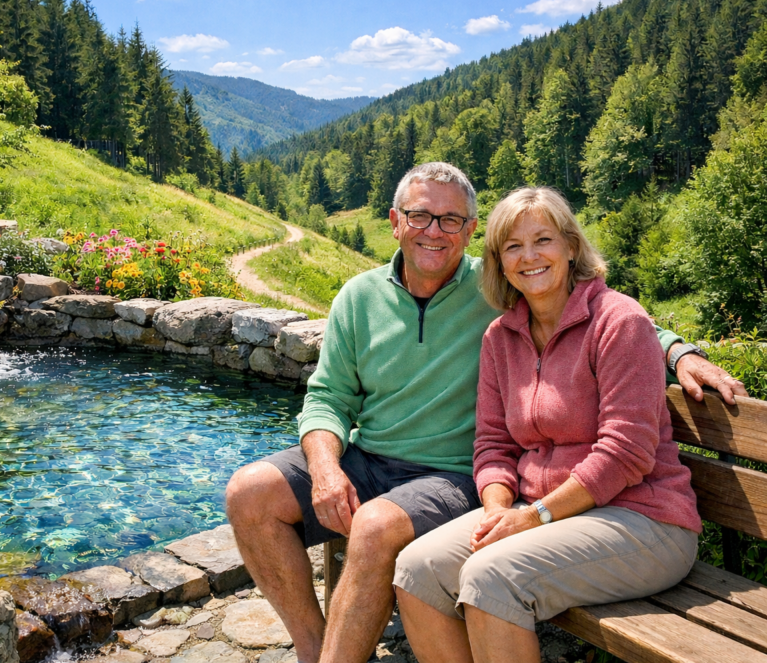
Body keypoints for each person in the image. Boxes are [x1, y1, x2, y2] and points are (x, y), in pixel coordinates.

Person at [225, 164, 743, 663]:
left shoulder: (498, 291)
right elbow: (329, 398)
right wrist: (324, 469)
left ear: (471, 231)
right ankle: (316, 649)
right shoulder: (418, 305)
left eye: (451, 220)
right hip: (387, 461)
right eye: (420, 215)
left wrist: (680, 352)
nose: (435, 231)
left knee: (398, 536)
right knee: (251, 491)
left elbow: (613, 320)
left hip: (464, 479)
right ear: (395, 220)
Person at [393, 186, 703, 663]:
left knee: (491, 576)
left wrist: (533, 517)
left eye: (543, 240)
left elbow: (627, 452)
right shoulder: (501, 337)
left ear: (571, 246)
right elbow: (493, 445)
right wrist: (499, 508)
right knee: (417, 568)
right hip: (542, 512)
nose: (529, 257)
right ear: (498, 262)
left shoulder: (619, 322)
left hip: (644, 520)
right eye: (513, 246)